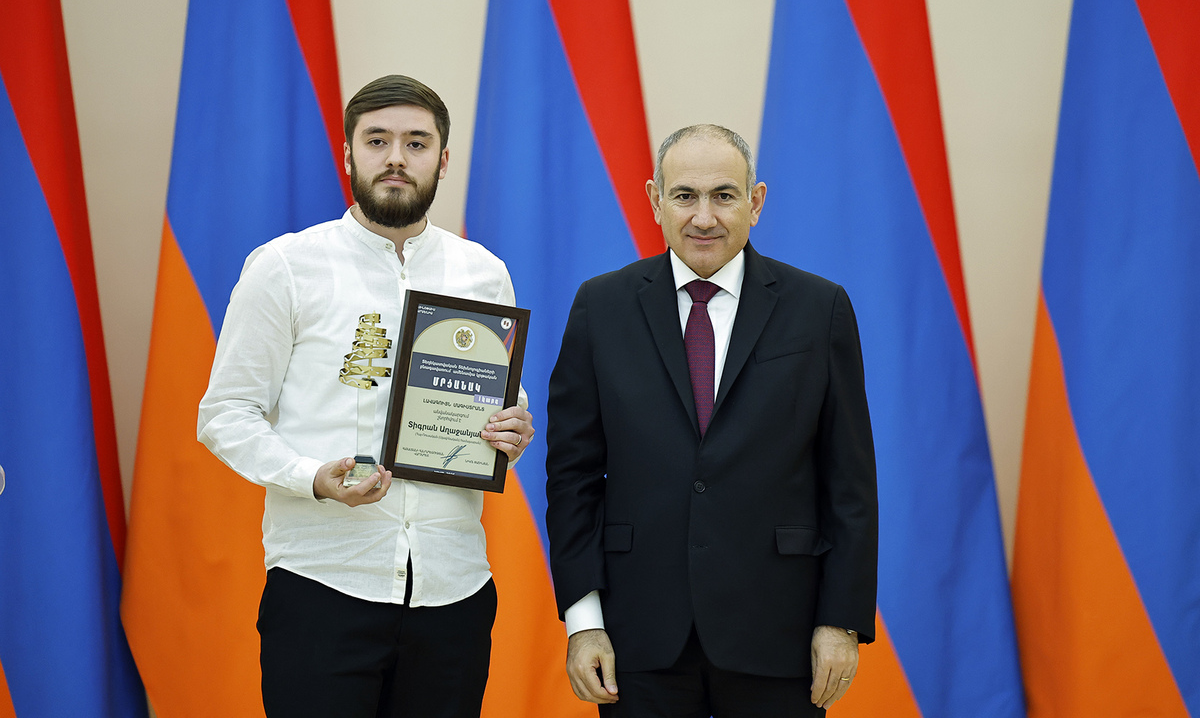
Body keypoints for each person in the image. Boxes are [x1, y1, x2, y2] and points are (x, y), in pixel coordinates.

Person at [198, 75, 533, 718]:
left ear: (443, 158)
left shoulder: (483, 272)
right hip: (323, 584)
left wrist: (513, 432)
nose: (396, 158)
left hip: (454, 591)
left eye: (416, 143)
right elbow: (225, 414)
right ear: (348, 154)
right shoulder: (285, 266)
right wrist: (310, 477)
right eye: (377, 140)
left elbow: (498, 404)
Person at [545, 125, 878, 717]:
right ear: (655, 201)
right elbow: (573, 476)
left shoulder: (819, 307)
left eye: (724, 195)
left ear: (756, 201)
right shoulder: (601, 306)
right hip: (636, 634)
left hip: (780, 630)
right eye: (684, 196)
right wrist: (584, 621)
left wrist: (840, 620)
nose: (704, 217)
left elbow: (849, 480)